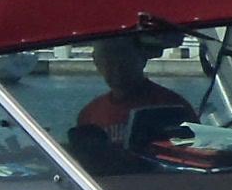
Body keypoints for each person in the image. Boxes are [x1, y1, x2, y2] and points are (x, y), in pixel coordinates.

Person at [71, 33, 194, 174]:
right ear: (96, 63)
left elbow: (193, 160)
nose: (116, 68)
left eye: (123, 58)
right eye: (107, 60)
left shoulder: (174, 106)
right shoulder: (89, 115)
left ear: (142, 59)